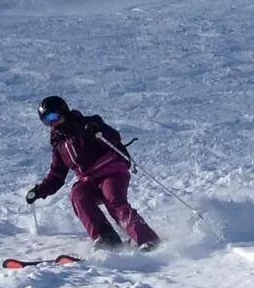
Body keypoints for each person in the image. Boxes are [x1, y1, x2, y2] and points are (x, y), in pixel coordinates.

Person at [25, 96, 161, 250]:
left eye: (54, 116)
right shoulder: (59, 144)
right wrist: (39, 191)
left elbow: (114, 136)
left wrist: (97, 129)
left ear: (63, 111)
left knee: (113, 199)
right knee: (78, 194)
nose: (52, 123)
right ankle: (106, 238)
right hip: (89, 180)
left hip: (111, 170)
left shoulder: (86, 124)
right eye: (46, 121)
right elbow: (57, 175)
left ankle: (148, 239)